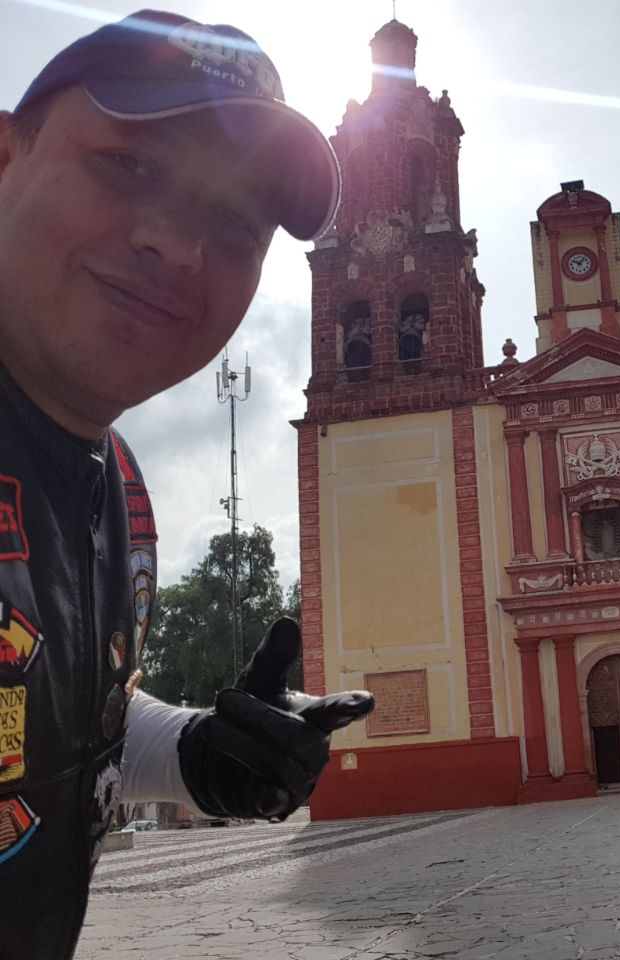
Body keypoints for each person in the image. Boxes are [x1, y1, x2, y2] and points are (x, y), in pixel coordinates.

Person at [0, 11, 373, 957]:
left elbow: (67, 715)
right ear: (6, 155)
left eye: (234, 224)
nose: (178, 244)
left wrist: (200, 753)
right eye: (129, 166)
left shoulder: (119, 488)